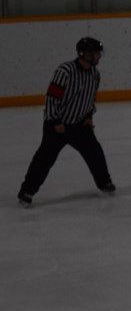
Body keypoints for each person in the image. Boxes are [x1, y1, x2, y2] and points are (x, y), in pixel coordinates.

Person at [17, 37, 115, 207]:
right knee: (44, 159)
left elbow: (90, 98)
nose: (99, 57)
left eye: (99, 54)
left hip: (79, 125)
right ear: (84, 55)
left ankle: (104, 182)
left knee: (95, 153)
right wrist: (55, 121)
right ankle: (27, 191)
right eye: (96, 54)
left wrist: (89, 116)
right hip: (57, 126)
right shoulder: (65, 71)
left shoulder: (94, 74)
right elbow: (52, 98)